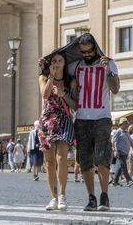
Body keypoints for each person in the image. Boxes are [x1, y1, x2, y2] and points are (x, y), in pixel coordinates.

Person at [67, 33, 120, 211]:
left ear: (95, 48)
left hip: (102, 118)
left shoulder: (109, 63)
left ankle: (104, 196)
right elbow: (56, 65)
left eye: (89, 51)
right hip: (81, 119)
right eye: (83, 52)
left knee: (102, 158)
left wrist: (108, 71)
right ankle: (91, 198)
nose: (87, 55)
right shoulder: (74, 66)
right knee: (85, 161)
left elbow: (115, 89)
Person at [37, 51, 77, 210]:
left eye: (60, 60)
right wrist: (51, 77)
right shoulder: (43, 78)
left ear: (64, 63)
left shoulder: (71, 82)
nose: (57, 63)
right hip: (47, 121)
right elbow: (45, 95)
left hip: (64, 120)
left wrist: (64, 95)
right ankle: (53, 197)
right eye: (54, 61)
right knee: (49, 162)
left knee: (61, 158)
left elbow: (75, 105)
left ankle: (62, 195)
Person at [111, 118, 133, 187]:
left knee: (120, 166)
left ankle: (115, 181)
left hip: (126, 152)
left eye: (126, 123)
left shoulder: (126, 132)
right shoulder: (118, 131)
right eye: (125, 123)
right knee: (124, 165)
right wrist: (115, 151)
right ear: (121, 124)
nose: (126, 125)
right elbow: (113, 142)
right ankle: (128, 180)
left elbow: (130, 141)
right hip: (120, 151)